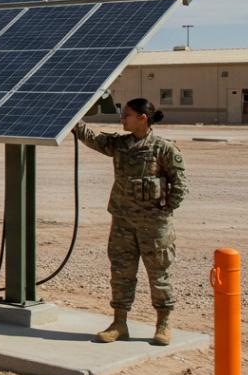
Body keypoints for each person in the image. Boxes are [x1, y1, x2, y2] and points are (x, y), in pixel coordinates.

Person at [74, 98, 188, 346]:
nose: (122, 119)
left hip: (153, 226)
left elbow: (179, 186)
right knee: (121, 273)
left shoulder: (163, 149)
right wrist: (73, 120)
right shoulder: (120, 144)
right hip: (123, 222)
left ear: (143, 118)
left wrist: (162, 212)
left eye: (127, 115)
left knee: (158, 275)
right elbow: (93, 139)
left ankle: (163, 324)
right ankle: (119, 323)